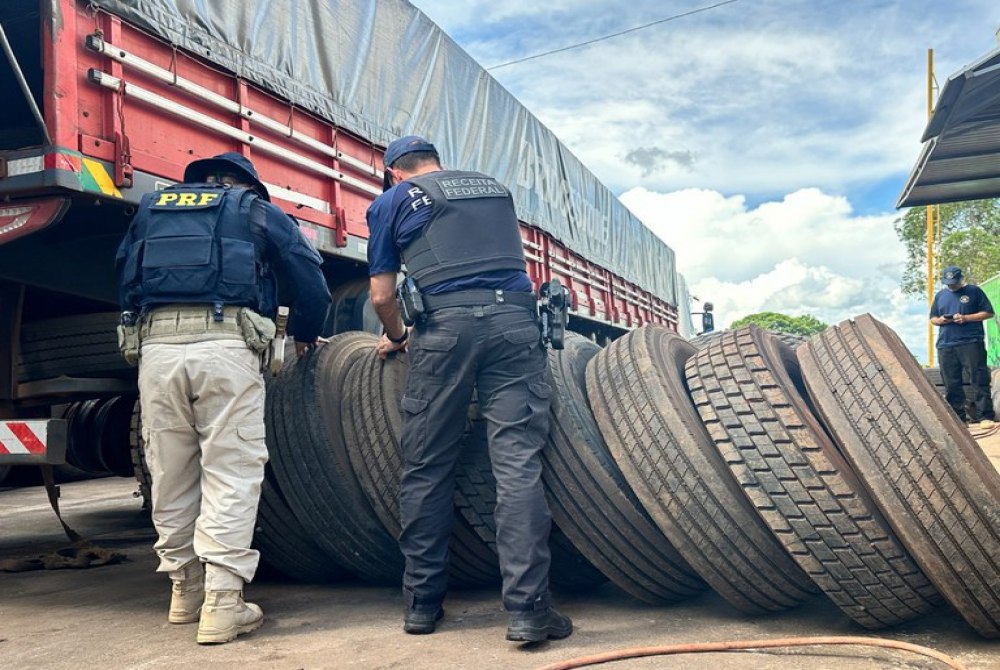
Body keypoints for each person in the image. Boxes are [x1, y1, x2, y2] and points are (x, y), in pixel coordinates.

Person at [115, 152, 331, 644]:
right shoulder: (255, 210)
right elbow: (309, 278)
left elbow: (125, 275)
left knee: (170, 471)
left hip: (157, 349)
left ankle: (184, 590)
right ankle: (223, 603)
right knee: (231, 470)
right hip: (226, 346)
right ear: (245, 183)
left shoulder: (152, 209)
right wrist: (304, 333)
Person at [366, 135, 572, 643]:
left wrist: (399, 337)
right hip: (515, 325)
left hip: (444, 331)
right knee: (518, 466)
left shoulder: (393, 199)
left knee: (427, 466)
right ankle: (530, 611)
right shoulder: (493, 188)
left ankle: (422, 606)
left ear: (394, 172)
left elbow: (382, 295)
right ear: (437, 161)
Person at [929, 264, 996, 424]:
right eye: (948, 283)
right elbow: (933, 318)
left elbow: (988, 313)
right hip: (946, 344)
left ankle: (985, 416)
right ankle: (958, 419)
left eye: (954, 282)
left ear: (961, 279)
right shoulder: (940, 295)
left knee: (978, 378)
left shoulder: (974, 291)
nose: (951, 285)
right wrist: (941, 320)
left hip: (971, 342)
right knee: (951, 383)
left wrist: (966, 318)